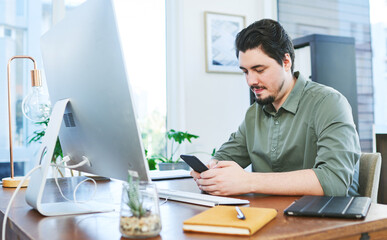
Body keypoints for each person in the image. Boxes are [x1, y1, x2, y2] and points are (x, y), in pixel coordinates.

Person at [191, 19, 361, 197]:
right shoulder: (254, 113)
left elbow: (334, 182)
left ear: (286, 62)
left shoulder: (329, 103)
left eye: (259, 69)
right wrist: (210, 169)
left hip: (327, 219)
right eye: (245, 71)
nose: (251, 81)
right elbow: (225, 157)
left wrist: (247, 181)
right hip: (273, 216)